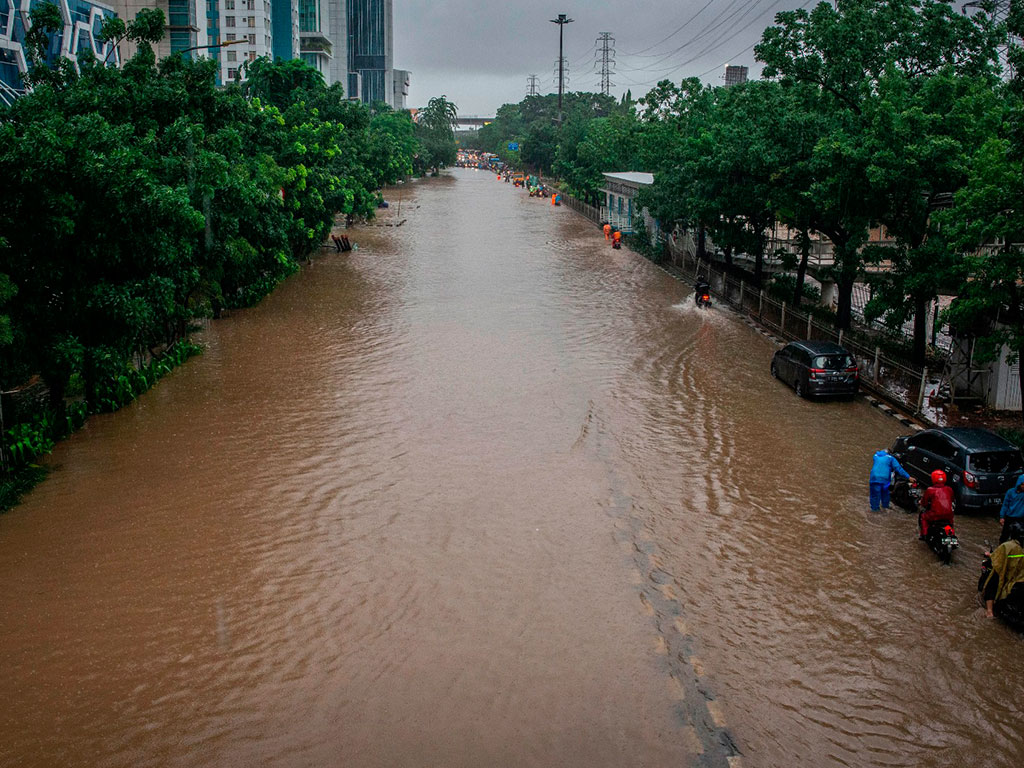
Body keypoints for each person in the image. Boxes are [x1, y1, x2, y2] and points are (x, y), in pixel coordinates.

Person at [981, 538, 1024, 619]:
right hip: (1018, 579)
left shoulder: (1008, 546)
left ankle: (989, 612)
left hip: (1007, 575)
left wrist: (990, 555)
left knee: (992, 582)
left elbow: (997, 559)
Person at [918, 469, 954, 539]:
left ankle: (924, 535)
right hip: (948, 515)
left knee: (923, 517)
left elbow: (924, 502)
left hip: (935, 515)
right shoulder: (949, 489)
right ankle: (952, 535)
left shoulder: (930, 490)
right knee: (950, 523)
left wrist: (920, 502)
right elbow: (952, 499)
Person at [998, 473, 1024, 543]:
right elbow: (1005, 505)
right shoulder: (1010, 492)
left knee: (1017, 538)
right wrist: (1002, 517)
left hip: (1020, 520)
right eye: (1022, 484)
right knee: (1004, 536)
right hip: (1009, 517)